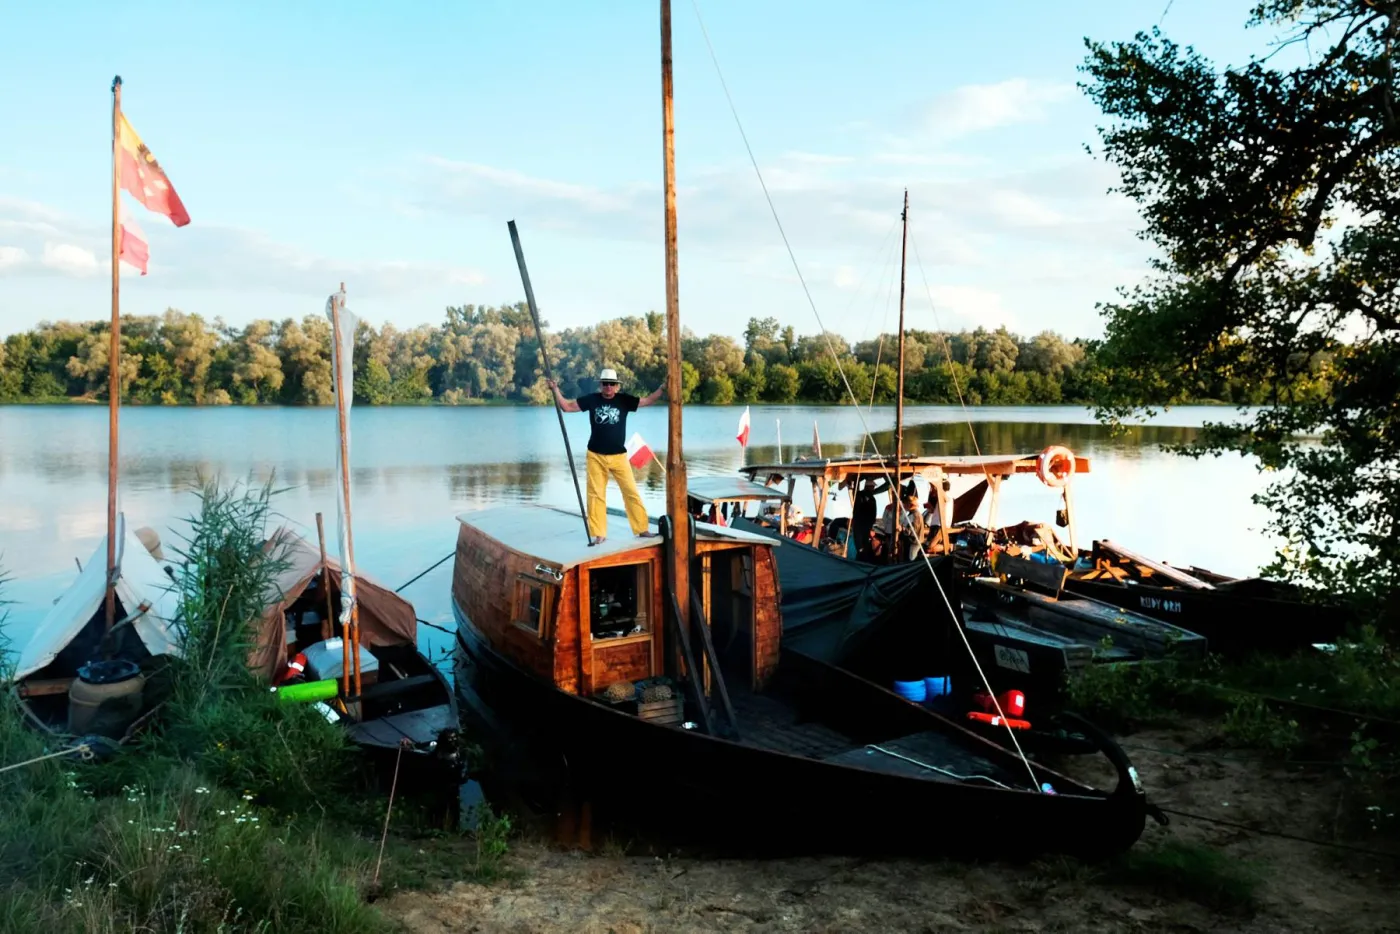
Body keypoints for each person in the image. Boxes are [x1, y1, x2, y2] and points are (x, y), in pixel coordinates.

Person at [548, 368, 663, 544]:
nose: (608, 387)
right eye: (605, 384)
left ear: (617, 386)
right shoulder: (592, 399)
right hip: (595, 455)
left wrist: (663, 388)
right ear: (601, 385)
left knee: (631, 492)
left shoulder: (624, 400)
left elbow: (648, 401)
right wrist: (555, 390)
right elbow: (567, 407)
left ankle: (642, 529)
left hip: (618, 456)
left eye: (612, 384)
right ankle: (599, 533)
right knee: (595, 495)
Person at [849, 476, 888, 561]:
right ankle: (862, 561)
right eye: (873, 487)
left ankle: (861, 560)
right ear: (870, 487)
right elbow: (872, 515)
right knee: (863, 546)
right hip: (864, 526)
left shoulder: (860, 495)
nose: (873, 488)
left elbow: (856, 511)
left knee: (860, 546)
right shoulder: (870, 498)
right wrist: (871, 526)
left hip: (859, 525)